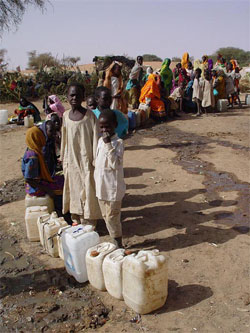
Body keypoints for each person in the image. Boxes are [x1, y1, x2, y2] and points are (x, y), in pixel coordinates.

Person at [61, 83, 101, 226]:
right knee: (74, 189)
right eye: (71, 95)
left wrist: (96, 161)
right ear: (67, 97)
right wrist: (63, 159)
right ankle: (76, 219)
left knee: (88, 189)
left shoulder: (90, 117)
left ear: (83, 97)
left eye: (78, 95)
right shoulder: (65, 116)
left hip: (87, 161)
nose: (74, 98)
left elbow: (96, 140)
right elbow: (64, 140)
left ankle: (90, 222)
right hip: (71, 161)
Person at [94, 109, 126, 248]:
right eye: (101, 127)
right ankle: (114, 238)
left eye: (107, 126)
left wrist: (108, 144)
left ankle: (118, 242)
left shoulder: (118, 143)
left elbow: (114, 164)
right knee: (106, 216)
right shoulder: (100, 141)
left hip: (112, 189)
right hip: (101, 187)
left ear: (115, 125)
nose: (104, 130)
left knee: (113, 217)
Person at [21, 126, 64, 216]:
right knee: (60, 187)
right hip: (35, 187)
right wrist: (48, 190)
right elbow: (29, 179)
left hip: (37, 183)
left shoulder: (33, 150)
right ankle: (60, 211)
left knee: (61, 179)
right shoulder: (33, 157)